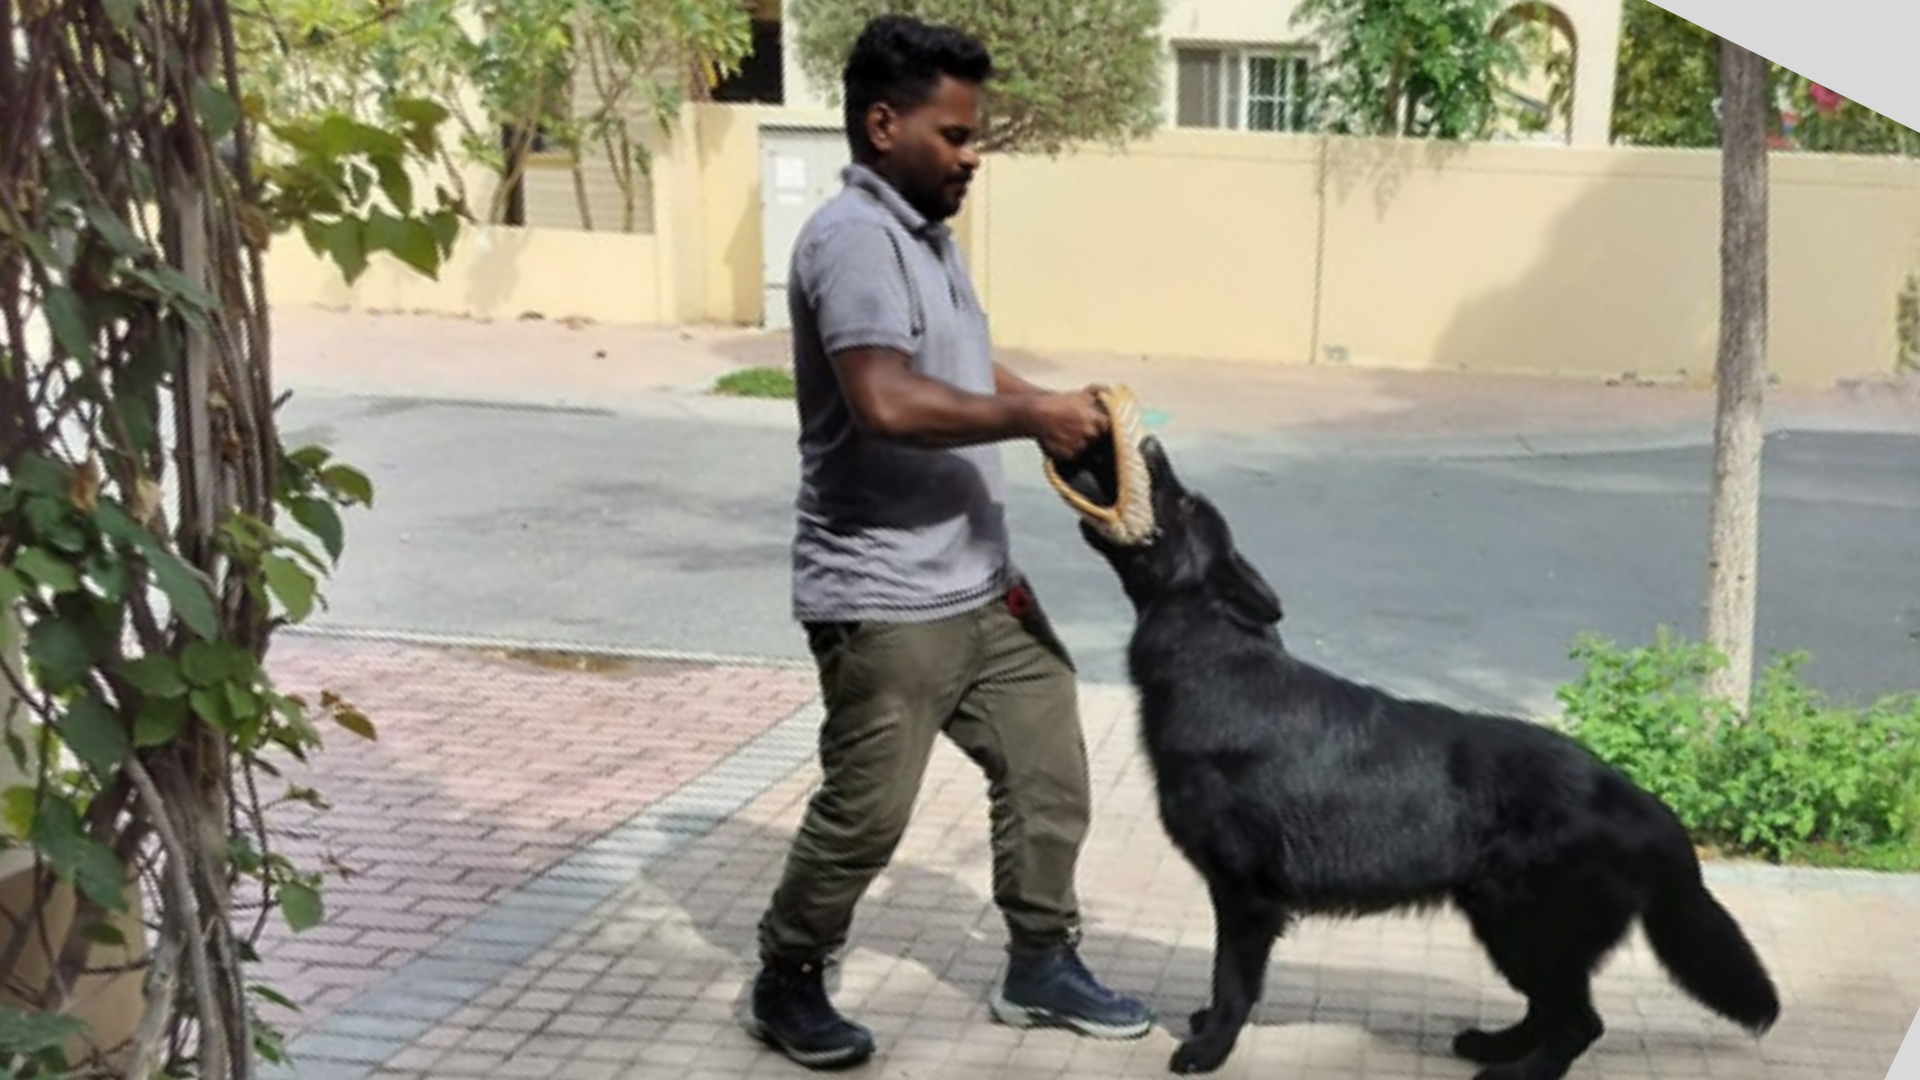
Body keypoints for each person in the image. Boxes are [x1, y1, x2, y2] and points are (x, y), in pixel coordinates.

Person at [742, 12, 1156, 1071]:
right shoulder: (853, 241)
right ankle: (787, 976)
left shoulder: (925, 238)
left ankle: (1040, 961)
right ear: (884, 126)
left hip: (980, 590)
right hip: (884, 599)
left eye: (975, 139)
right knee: (867, 813)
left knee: (1049, 759)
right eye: (957, 136)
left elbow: (965, 366)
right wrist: (1030, 421)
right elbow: (883, 398)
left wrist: (1055, 401)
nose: (973, 158)